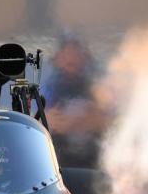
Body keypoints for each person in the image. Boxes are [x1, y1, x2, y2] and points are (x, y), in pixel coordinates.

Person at [40, 36, 104, 169]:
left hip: (92, 164)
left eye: (75, 55)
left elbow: (113, 119)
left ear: (84, 58)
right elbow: (29, 120)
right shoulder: (47, 88)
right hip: (58, 165)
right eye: (65, 57)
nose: (70, 60)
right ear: (57, 59)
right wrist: (43, 122)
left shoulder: (97, 86)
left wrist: (94, 121)